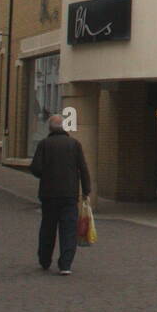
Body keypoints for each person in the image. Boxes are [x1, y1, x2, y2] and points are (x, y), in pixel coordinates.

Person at [29, 115, 92, 275]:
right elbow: (83, 169)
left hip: (49, 194)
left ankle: (44, 259)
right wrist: (86, 190)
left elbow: (35, 168)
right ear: (64, 127)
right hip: (70, 194)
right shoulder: (74, 144)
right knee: (68, 229)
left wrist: (46, 174)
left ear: (50, 128)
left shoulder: (44, 144)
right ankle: (65, 264)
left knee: (47, 228)